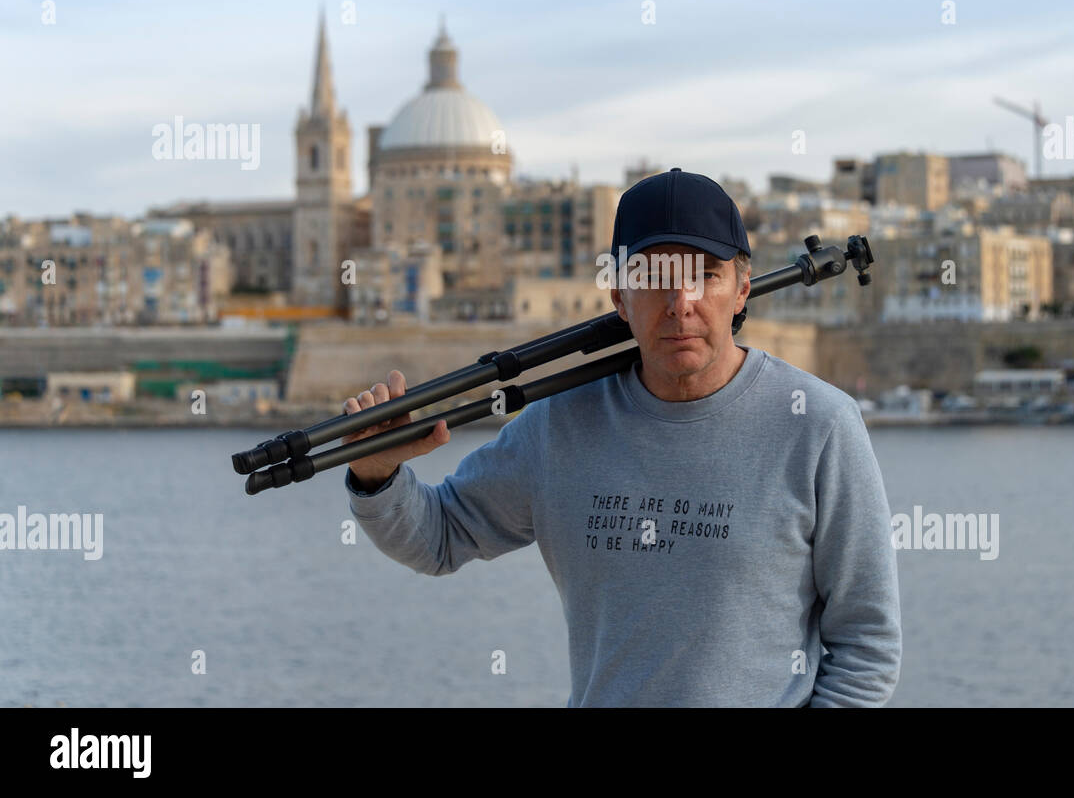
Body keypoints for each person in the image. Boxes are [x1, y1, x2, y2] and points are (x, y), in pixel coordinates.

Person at [341, 168, 901, 706]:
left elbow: (867, 644)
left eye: (704, 274)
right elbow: (440, 538)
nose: (680, 302)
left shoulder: (820, 424)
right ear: (619, 298)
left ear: (742, 290)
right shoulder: (558, 426)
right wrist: (378, 474)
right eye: (654, 278)